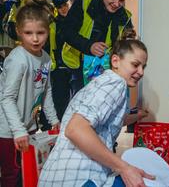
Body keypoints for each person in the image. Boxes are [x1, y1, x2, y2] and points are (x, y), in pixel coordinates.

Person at [38, 39, 154, 187]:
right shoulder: (116, 83)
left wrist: (137, 116)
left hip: (56, 176)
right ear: (115, 61)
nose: (141, 72)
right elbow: (75, 129)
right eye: (135, 65)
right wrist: (124, 167)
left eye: (143, 67)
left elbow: (109, 121)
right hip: (78, 177)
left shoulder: (103, 82)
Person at [0, 3, 60, 187]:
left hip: (30, 126)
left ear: (48, 31)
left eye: (40, 33)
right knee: (12, 174)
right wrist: (18, 130)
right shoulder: (18, 60)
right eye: (28, 33)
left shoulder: (45, 59)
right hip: (9, 129)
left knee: (30, 169)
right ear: (18, 32)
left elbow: (46, 89)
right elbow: (6, 97)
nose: (35, 39)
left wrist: (53, 119)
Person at [61, 0, 135, 94]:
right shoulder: (83, 1)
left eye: (121, 0)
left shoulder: (125, 16)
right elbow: (66, 31)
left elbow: (126, 43)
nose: (117, 4)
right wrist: (89, 46)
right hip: (79, 65)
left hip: (108, 68)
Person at [39, 0, 74, 130]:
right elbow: (47, 47)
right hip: (58, 69)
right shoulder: (52, 25)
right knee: (60, 102)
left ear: (70, 3)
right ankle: (57, 130)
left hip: (76, 68)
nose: (63, 9)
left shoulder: (78, 23)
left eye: (65, 5)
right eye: (59, 6)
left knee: (76, 101)